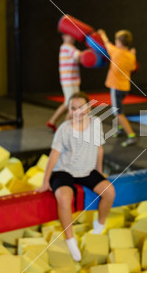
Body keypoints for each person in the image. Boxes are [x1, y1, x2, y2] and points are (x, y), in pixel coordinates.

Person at [37, 92, 116, 262]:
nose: (77, 112)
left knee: (109, 192)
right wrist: (45, 182)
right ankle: (70, 239)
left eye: (81, 108)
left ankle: (99, 226)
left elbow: (99, 148)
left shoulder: (95, 123)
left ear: (88, 108)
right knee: (65, 198)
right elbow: (54, 156)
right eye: (73, 108)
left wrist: (99, 171)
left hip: (86, 170)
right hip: (64, 170)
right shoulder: (64, 129)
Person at [97, 29, 138, 147]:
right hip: (125, 87)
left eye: (116, 40)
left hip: (116, 87)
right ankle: (120, 129)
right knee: (118, 108)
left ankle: (131, 135)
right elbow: (132, 68)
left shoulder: (116, 52)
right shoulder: (131, 55)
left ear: (119, 41)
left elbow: (106, 44)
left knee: (117, 112)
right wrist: (133, 54)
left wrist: (103, 35)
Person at [47, 34, 82, 132]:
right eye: (69, 35)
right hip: (69, 80)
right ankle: (65, 128)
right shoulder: (67, 47)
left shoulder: (70, 48)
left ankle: (52, 121)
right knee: (72, 104)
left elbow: (78, 58)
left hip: (72, 80)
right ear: (63, 36)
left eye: (73, 35)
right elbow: (79, 56)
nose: (72, 37)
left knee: (68, 103)